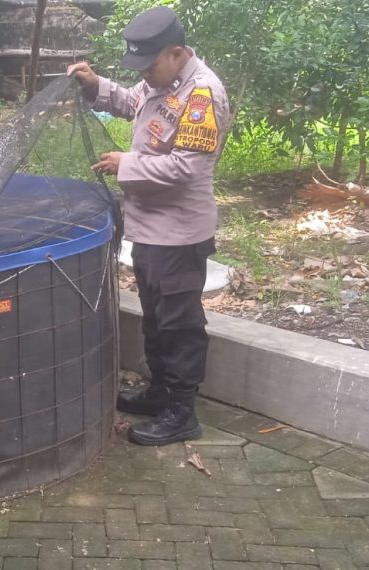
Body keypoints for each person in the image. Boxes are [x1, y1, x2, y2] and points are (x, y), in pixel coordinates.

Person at [67, 6, 230, 446]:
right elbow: (132, 102)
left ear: (176, 53)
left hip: (179, 233)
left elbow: (187, 169)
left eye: (148, 64)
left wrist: (127, 163)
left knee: (179, 324)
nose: (143, 75)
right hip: (150, 230)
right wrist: (97, 85)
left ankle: (182, 412)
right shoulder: (160, 81)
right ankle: (160, 393)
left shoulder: (201, 95)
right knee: (156, 320)